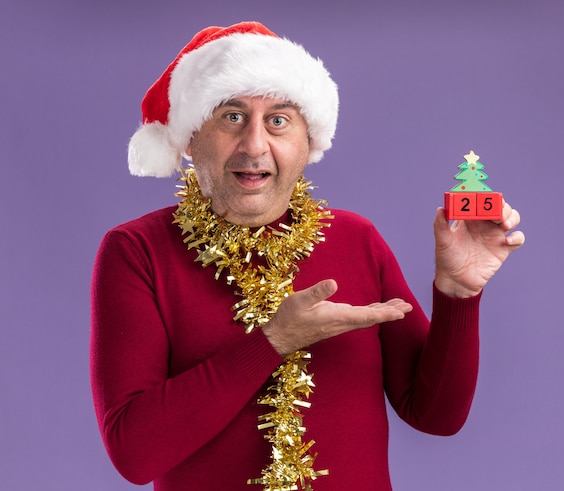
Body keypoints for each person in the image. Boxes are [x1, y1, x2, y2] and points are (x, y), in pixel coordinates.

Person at [90, 21, 525, 491]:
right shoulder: (137, 252)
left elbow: (436, 414)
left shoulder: (356, 239)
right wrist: (274, 340)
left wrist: (459, 293)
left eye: (279, 120)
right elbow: (134, 454)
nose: (255, 145)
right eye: (231, 116)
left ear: (308, 143)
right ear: (191, 138)